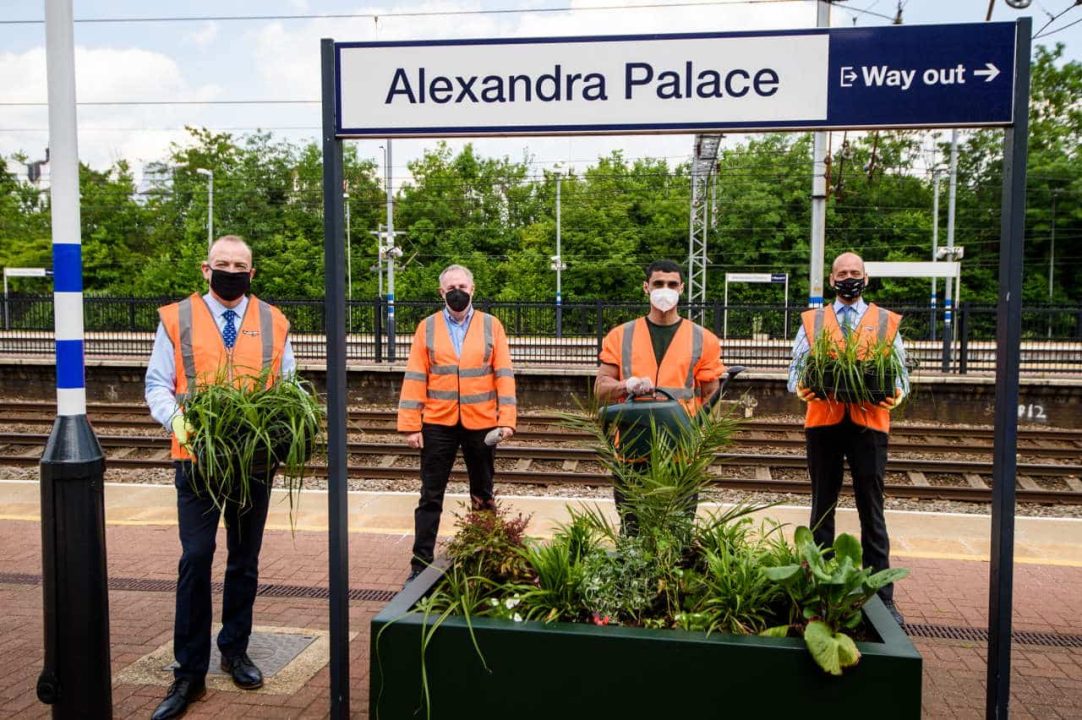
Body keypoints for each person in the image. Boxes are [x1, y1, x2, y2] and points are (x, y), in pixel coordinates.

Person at [145, 235, 295, 720]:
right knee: (196, 557)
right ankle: (188, 672)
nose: (232, 271)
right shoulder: (177, 317)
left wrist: (279, 436)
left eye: (241, 265)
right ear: (205, 269)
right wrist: (187, 430)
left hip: (252, 462)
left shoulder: (274, 320)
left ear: (253, 273)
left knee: (244, 560)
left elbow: (287, 389)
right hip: (197, 459)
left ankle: (234, 650)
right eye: (223, 263)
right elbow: (157, 386)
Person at [788, 251, 908, 624]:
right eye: (842, 273)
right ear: (832, 279)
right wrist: (802, 388)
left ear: (866, 278)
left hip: (870, 424)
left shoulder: (885, 320)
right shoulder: (814, 320)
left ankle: (882, 597)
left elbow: (901, 374)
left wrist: (897, 393)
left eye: (855, 272)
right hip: (823, 423)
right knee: (822, 507)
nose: (849, 278)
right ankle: (821, 589)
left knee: (872, 510)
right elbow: (794, 372)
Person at [398, 264, 517, 583]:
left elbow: (503, 375)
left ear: (473, 289)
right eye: (451, 287)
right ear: (441, 292)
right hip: (438, 423)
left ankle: (486, 557)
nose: (457, 292)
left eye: (463, 286)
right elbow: (415, 375)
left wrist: (507, 420)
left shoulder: (492, 326)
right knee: (430, 495)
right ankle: (420, 563)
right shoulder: (428, 327)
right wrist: (411, 425)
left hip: (482, 424)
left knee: (483, 493)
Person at [595, 259, 725, 533]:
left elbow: (712, 395)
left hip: (681, 452)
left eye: (671, 284)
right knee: (632, 529)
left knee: (677, 531)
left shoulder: (704, 339)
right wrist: (626, 385)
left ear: (682, 288)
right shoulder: (620, 336)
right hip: (631, 448)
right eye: (658, 284)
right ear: (646, 287)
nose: (664, 290)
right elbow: (600, 389)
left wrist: (703, 442)